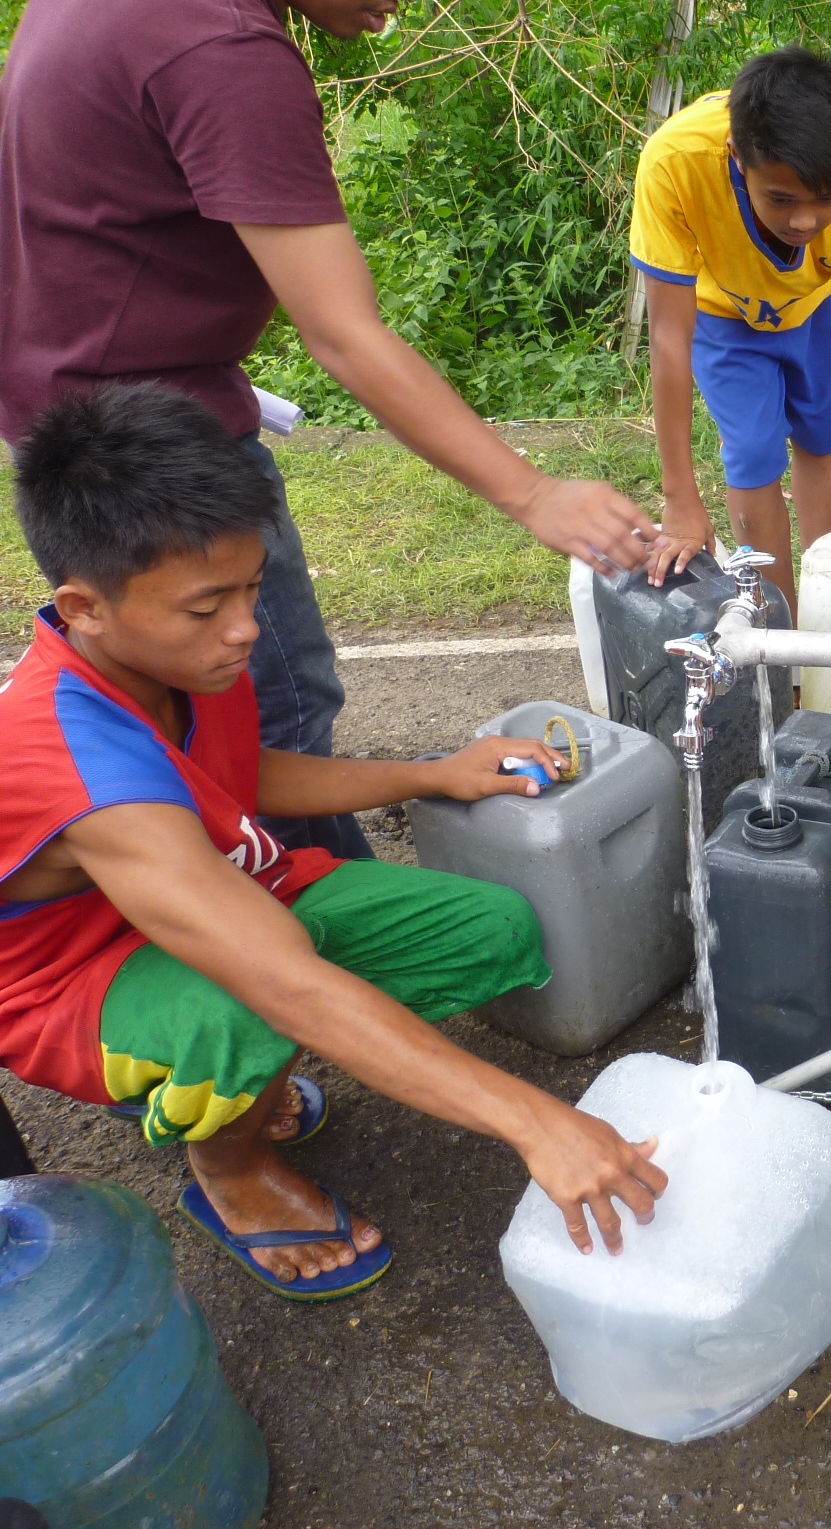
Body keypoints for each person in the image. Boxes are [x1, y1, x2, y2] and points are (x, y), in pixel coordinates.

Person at [1, 385, 667, 1300]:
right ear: (83, 606)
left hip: (227, 898)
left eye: (249, 587)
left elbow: (239, 772)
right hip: (76, 982)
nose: (243, 628)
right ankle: (227, 1169)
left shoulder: (174, 655)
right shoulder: (73, 762)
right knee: (242, 1012)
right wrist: (534, 1121)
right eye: (206, 608)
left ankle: (235, 1080)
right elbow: (278, 977)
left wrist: (435, 771)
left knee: (493, 930)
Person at [0, 0, 663, 862]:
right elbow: (344, 332)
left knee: (174, 704)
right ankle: (304, 921)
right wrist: (532, 492)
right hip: (150, 450)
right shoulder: (221, 48)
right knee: (272, 700)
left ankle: (195, 891)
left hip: (70, 416)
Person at [631, 48, 831, 616]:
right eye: (781, 199)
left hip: (818, 305)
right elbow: (670, 339)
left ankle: (820, 611)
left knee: (824, 435)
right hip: (722, 312)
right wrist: (680, 500)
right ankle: (780, 623)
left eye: (826, 199)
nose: (805, 221)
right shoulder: (676, 162)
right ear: (736, 156)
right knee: (751, 452)